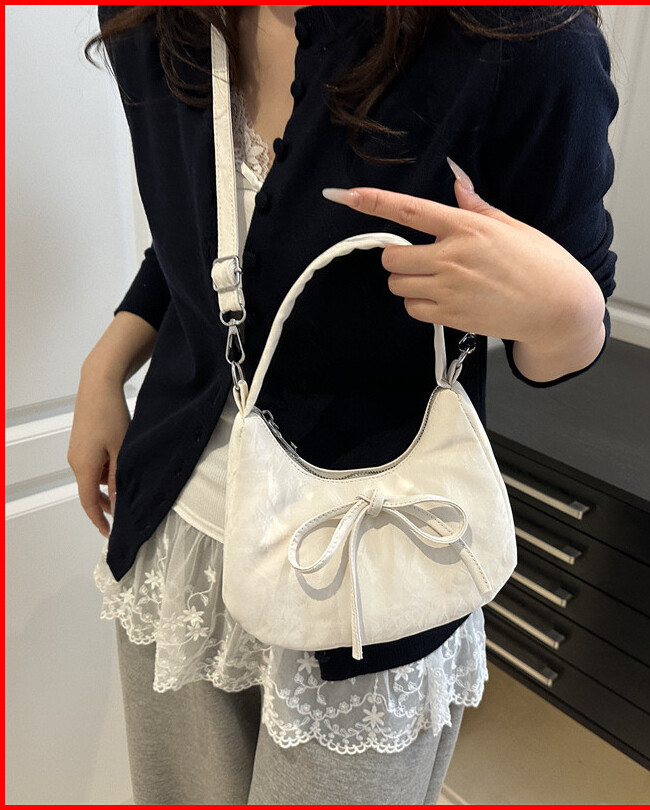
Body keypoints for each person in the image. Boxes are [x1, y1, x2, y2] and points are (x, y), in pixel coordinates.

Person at [71, 4, 618, 805]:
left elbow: (561, 335)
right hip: (179, 536)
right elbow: (206, 227)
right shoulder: (152, 19)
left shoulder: (521, 36)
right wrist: (104, 364)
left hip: (373, 567)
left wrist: (567, 314)